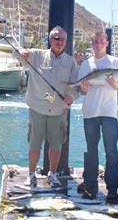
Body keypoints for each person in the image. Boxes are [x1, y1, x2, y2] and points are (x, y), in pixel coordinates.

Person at [18, 26, 79, 188]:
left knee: (56, 145)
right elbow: (17, 53)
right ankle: (31, 174)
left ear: (66, 42)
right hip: (37, 108)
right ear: (50, 40)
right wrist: (21, 53)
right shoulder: (37, 55)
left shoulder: (70, 62)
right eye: (56, 38)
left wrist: (72, 97)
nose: (59, 42)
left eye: (62, 39)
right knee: (34, 144)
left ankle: (53, 173)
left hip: (59, 110)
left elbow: (76, 86)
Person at [78, 31, 118, 204]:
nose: (98, 44)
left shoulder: (115, 62)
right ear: (92, 43)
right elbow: (82, 91)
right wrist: (83, 88)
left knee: (111, 151)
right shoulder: (86, 64)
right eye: (95, 41)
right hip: (90, 111)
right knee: (91, 149)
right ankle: (90, 185)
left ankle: (112, 189)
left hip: (109, 112)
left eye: (101, 42)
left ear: (107, 43)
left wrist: (114, 84)